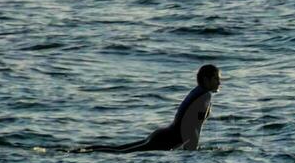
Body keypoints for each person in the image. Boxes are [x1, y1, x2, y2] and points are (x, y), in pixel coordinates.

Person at [79, 65, 220, 153]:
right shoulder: (204, 95)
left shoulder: (197, 92)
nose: (219, 82)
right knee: (119, 152)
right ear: (206, 80)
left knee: (118, 149)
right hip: (167, 140)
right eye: (216, 78)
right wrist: (192, 151)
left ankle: (82, 150)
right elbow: (192, 126)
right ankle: (82, 152)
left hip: (163, 135)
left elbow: (191, 122)